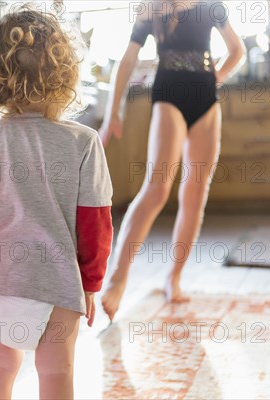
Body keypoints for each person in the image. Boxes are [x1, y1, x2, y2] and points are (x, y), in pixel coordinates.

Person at [0, 8, 113, 399]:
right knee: (55, 373)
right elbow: (95, 221)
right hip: (56, 281)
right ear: (66, 73)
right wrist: (90, 282)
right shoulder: (83, 142)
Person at [99, 0, 245, 321]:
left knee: (195, 194)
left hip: (206, 103)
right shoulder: (152, 9)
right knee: (157, 189)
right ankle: (118, 279)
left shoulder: (211, 6)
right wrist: (113, 112)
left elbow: (237, 49)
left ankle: (173, 278)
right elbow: (128, 59)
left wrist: (215, 76)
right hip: (168, 98)